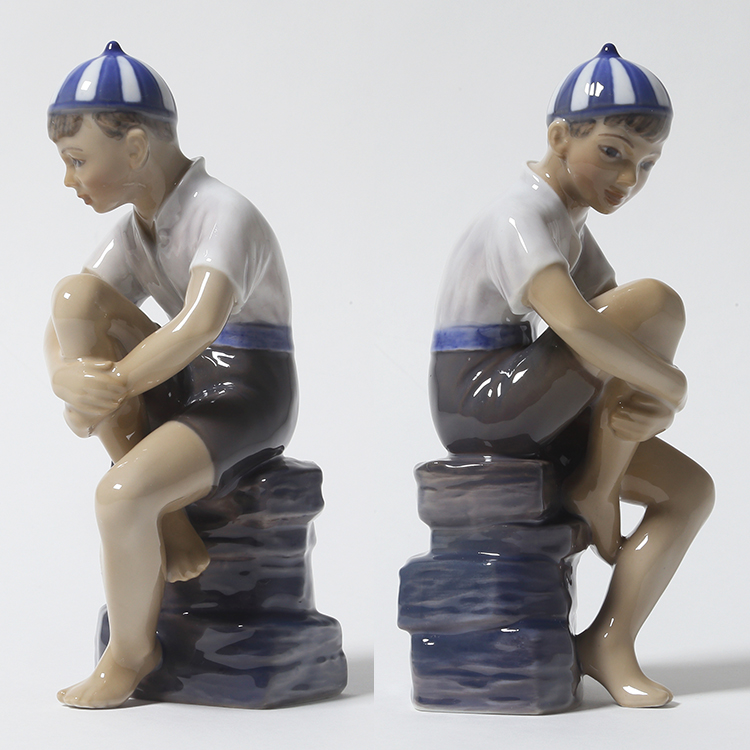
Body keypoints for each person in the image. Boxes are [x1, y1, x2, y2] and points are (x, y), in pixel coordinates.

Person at [430, 44, 714, 708]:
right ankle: (598, 485)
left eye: (647, 164)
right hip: (481, 399)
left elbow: (616, 334)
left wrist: (644, 401)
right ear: (560, 138)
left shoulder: (571, 224)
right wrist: (670, 387)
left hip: (532, 401)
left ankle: (609, 641)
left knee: (689, 491)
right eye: (613, 153)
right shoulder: (520, 215)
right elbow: (584, 327)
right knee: (658, 301)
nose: (629, 178)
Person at [45, 42, 298, 709]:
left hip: (247, 388)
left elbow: (198, 325)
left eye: (77, 160)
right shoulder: (140, 228)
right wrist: (67, 379)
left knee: (119, 497)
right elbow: (62, 321)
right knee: (75, 296)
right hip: (182, 379)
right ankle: (172, 513)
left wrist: (110, 387)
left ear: (134, 148)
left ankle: (132, 654)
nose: (68, 180)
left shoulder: (222, 214)